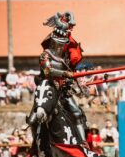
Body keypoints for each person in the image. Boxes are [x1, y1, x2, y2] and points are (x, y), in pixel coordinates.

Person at [27, 11, 88, 146]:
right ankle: (36, 144)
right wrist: (65, 74)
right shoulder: (45, 55)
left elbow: (71, 73)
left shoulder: (64, 59)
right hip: (47, 87)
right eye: (58, 43)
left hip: (61, 91)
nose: (60, 46)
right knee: (36, 115)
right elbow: (48, 71)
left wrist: (79, 85)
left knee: (77, 112)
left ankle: (83, 143)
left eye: (63, 44)